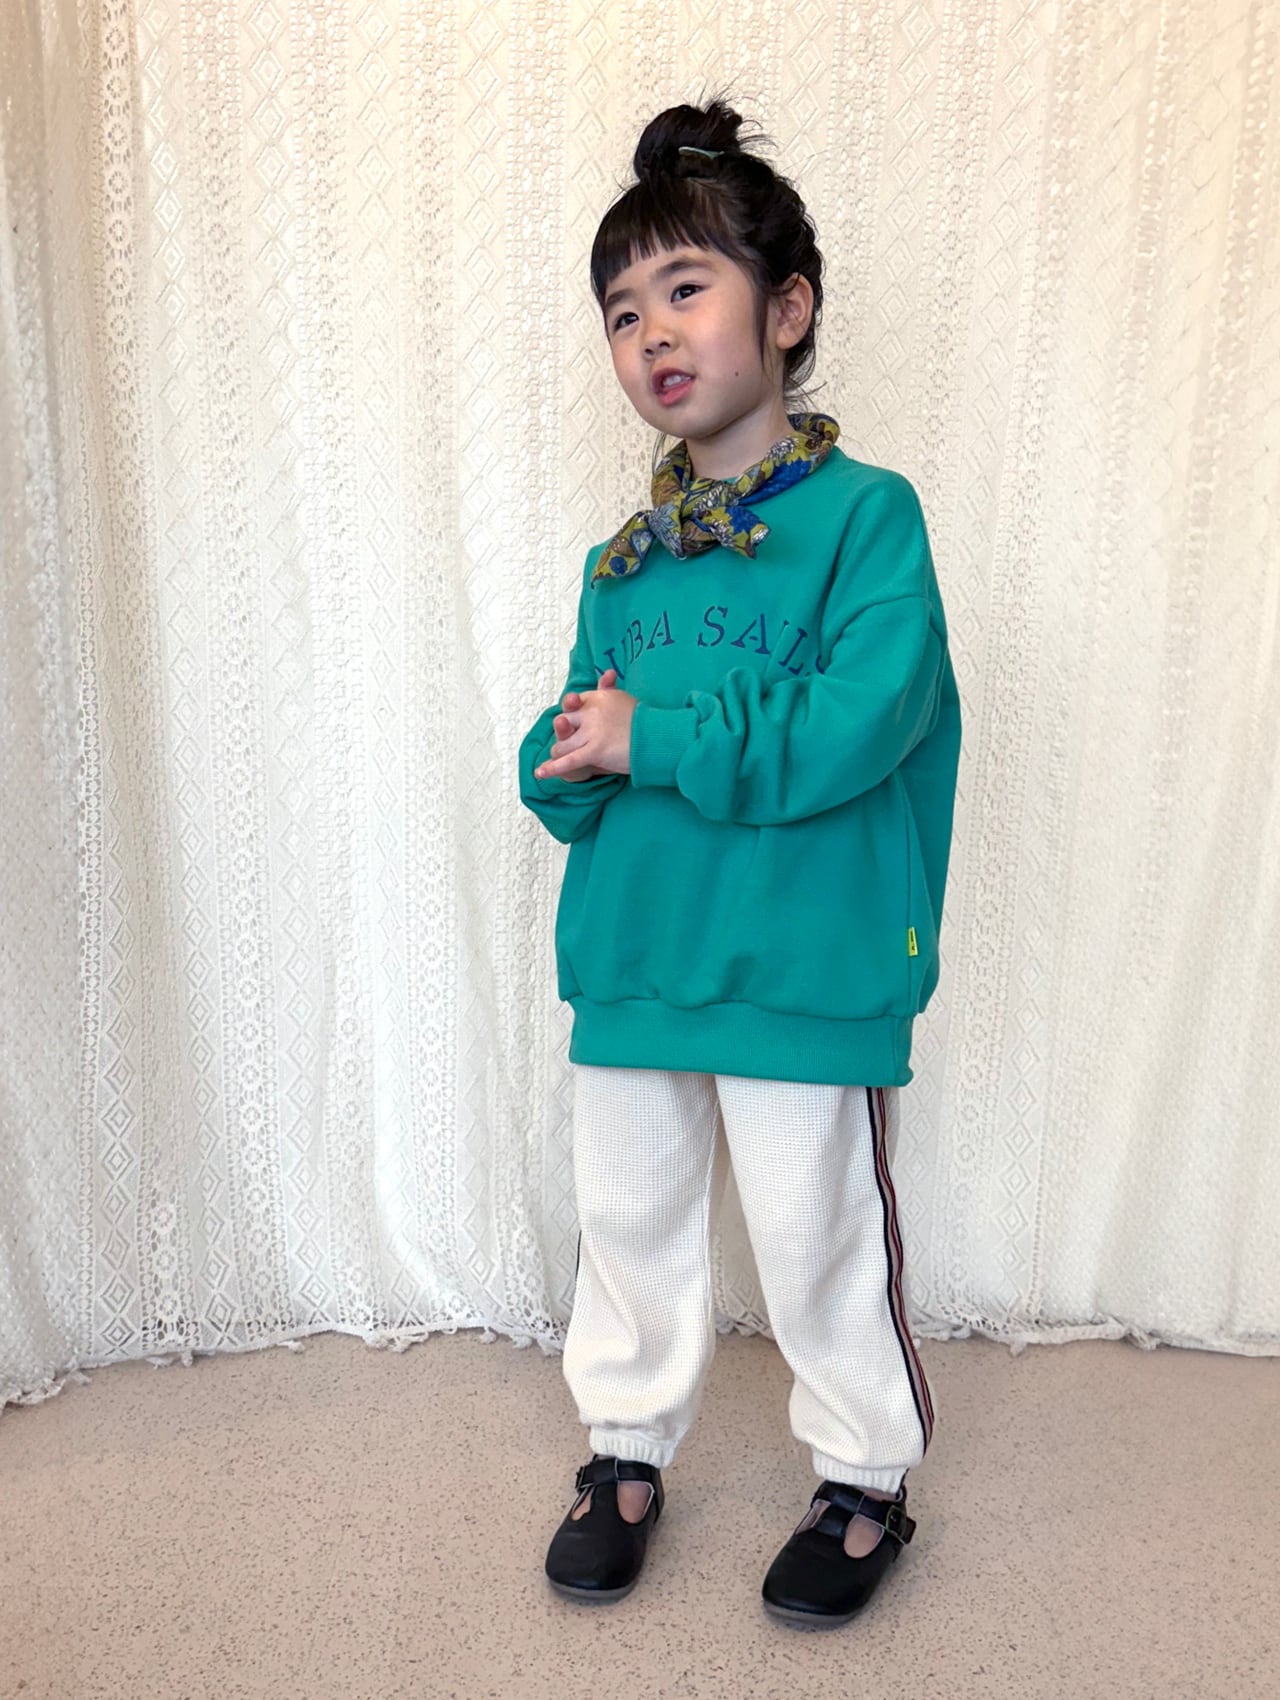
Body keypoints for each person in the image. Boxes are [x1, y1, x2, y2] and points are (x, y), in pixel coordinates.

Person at [517, 93, 962, 1629]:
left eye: (684, 288)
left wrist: (652, 740)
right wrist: (562, 761)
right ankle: (623, 1452)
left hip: (803, 966)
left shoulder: (869, 521)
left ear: (787, 309)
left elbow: (861, 722)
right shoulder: (625, 564)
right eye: (621, 309)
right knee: (631, 1224)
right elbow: (583, 748)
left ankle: (864, 1478)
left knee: (816, 1233)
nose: (650, 330)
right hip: (640, 960)